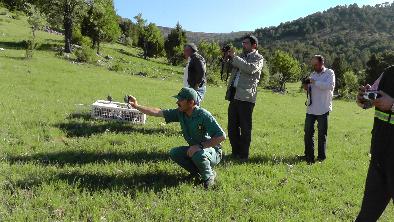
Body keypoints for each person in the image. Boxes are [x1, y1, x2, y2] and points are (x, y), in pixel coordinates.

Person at [126, 87, 226, 189]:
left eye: (181, 100)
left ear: (191, 102)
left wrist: (200, 146)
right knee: (175, 153)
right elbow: (157, 112)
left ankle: (209, 177)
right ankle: (198, 173)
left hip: (213, 152)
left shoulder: (204, 115)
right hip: (197, 150)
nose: (177, 102)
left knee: (197, 153)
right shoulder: (180, 113)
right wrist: (136, 106)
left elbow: (221, 136)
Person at [355, 65, 394, 222]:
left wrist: (392, 105)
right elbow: (371, 98)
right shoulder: (389, 72)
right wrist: (363, 99)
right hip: (380, 158)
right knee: (366, 216)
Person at [224, 35, 264, 161]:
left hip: (246, 97)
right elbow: (229, 69)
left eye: (246, 43)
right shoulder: (240, 57)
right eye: (243, 43)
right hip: (234, 95)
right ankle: (235, 152)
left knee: (245, 128)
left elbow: (250, 68)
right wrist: (227, 58)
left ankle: (243, 155)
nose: (243, 45)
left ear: (254, 45)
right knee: (232, 127)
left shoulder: (258, 58)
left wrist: (235, 58)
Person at [301, 55, 335, 164]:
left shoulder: (329, 73)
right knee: (308, 133)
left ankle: (321, 157)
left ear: (322, 63)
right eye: (313, 65)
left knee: (322, 134)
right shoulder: (313, 74)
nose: (314, 67)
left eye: (316, 64)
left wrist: (314, 82)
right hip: (311, 108)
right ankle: (308, 155)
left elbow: (329, 86)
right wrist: (306, 87)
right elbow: (310, 89)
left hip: (323, 108)